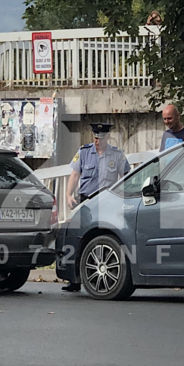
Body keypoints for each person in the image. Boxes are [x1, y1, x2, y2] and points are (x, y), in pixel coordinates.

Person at [63, 123, 131, 292]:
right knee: (78, 238)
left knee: (103, 238)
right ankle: (73, 279)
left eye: (101, 138)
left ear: (107, 137)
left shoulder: (117, 155)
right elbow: (74, 175)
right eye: (95, 137)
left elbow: (126, 177)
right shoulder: (84, 152)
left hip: (108, 202)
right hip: (86, 201)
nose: (97, 141)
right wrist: (68, 194)